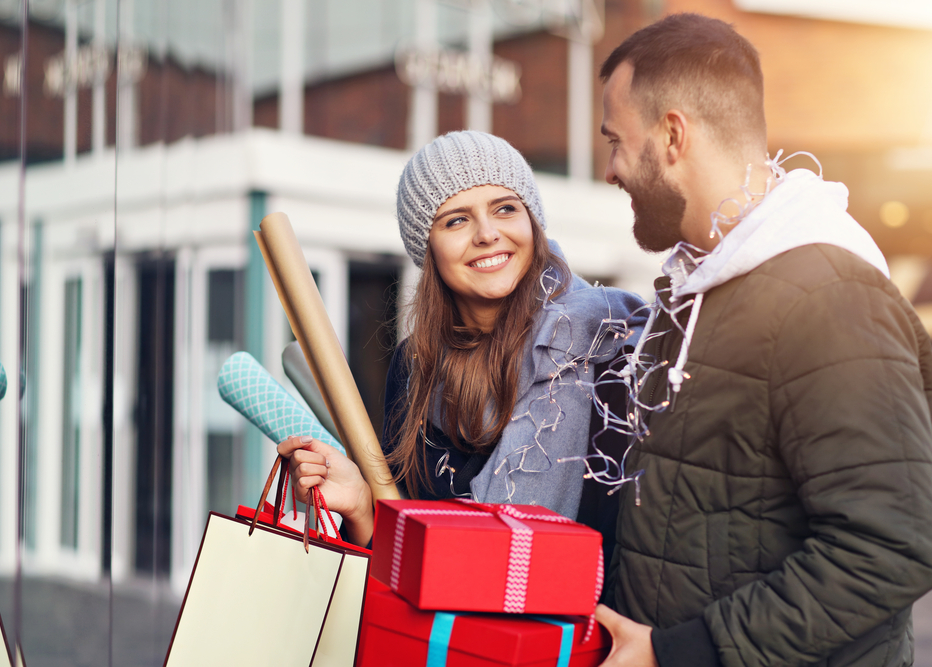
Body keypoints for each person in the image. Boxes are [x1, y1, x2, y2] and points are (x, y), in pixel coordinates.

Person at [592, 13, 932, 667]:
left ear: (671, 135)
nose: (610, 169)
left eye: (615, 140)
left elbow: (893, 543)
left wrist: (678, 652)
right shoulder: (698, 286)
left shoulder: (828, 295)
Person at [278, 130, 646, 548]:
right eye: (456, 219)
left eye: (505, 208)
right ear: (427, 247)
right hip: (445, 615)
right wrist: (362, 505)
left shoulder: (606, 345)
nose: (487, 234)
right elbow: (402, 557)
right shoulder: (416, 365)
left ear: (532, 222)